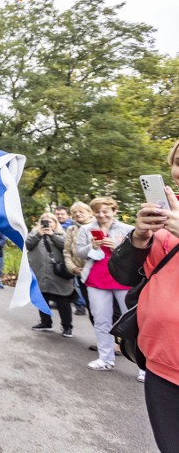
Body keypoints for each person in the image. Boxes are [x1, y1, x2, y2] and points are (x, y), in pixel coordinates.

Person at [109, 139, 179, 451]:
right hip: (161, 362)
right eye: (178, 163)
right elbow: (123, 275)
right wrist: (138, 238)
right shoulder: (164, 215)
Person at [75, 196, 134, 371]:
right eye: (97, 212)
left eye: (105, 211)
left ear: (114, 211)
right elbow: (80, 253)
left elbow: (137, 254)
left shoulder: (128, 229)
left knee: (132, 321)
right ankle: (105, 359)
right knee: (101, 320)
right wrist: (92, 247)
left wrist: (118, 246)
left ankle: (143, 367)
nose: (101, 215)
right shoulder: (86, 229)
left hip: (123, 279)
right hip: (97, 278)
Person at [26, 213, 75, 337]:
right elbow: (28, 244)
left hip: (57, 273)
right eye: (44, 221)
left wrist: (52, 235)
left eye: (50, 222)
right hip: (40, 272)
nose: (47, 224)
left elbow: (66, 246)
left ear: (55, 223)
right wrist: (39, 234)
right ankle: (45, 323)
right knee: (42, 298)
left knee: (62, 300)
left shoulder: (62, 234)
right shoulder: (35, 234)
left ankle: (67, 327)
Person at [63, 201, 93, 316]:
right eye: (74, 212)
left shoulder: (97, 226)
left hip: (96, 272)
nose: (77, 214)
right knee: (91, 307)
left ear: (90, 213)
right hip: (80, 273)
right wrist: (73, 268)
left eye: (81, 211)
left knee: (102, 307)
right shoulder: (71, 229)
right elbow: (67, 251)